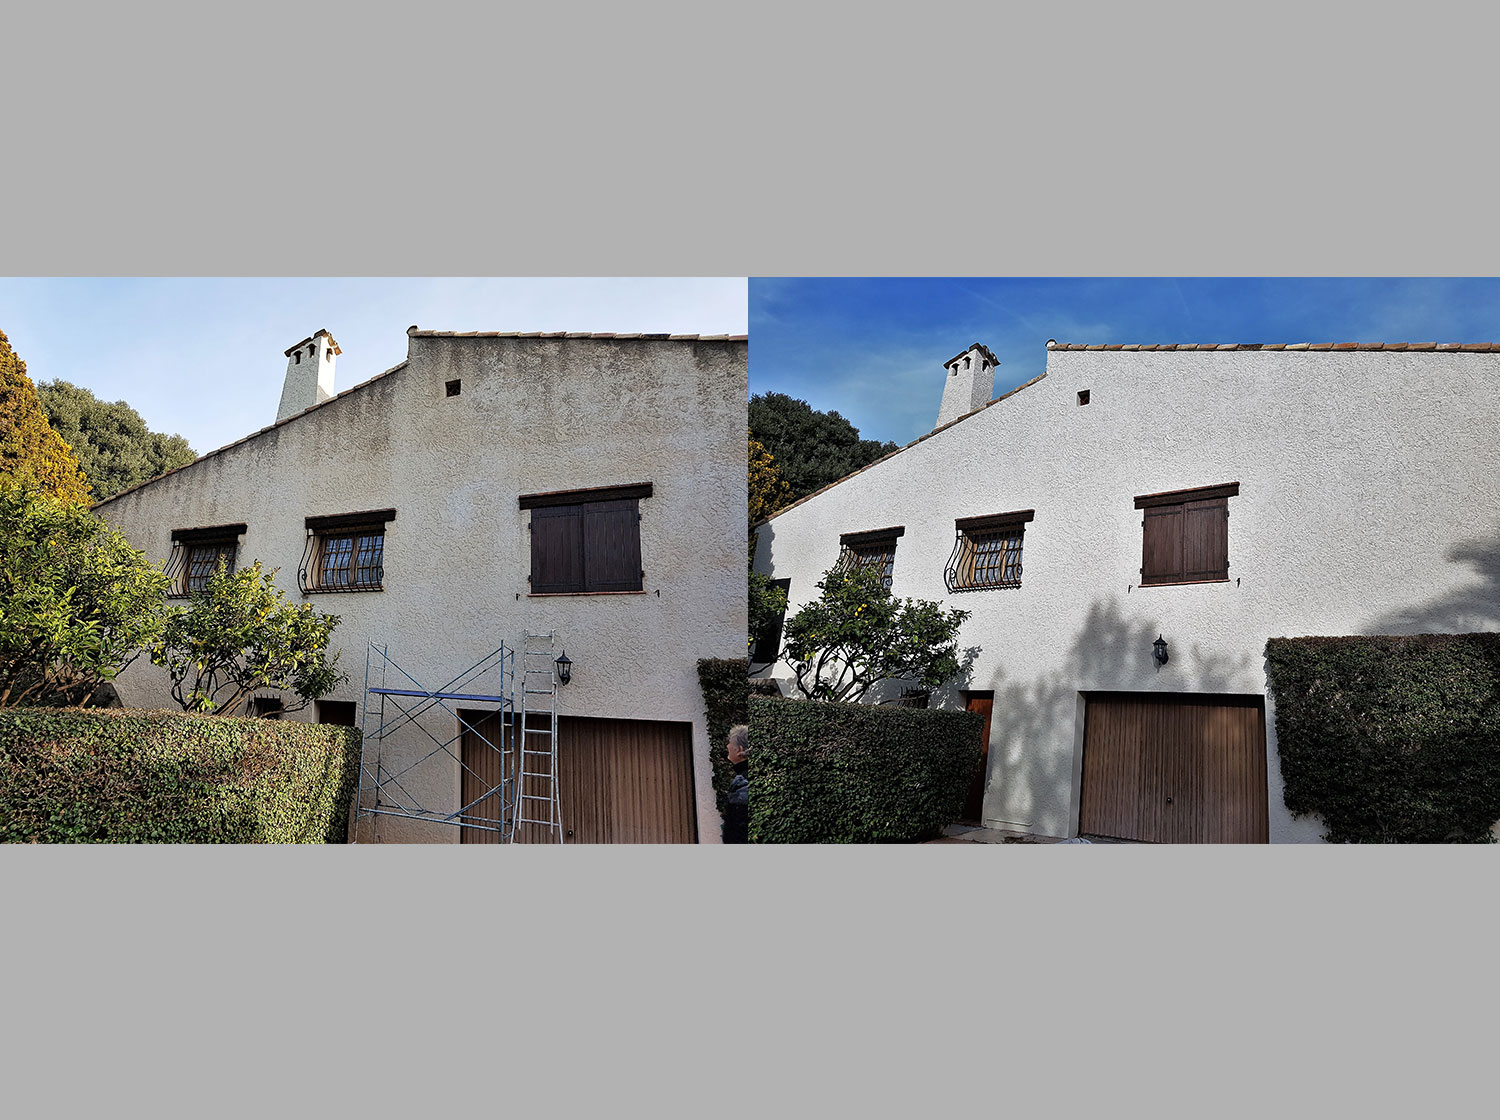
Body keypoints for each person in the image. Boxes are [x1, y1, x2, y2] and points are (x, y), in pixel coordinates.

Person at [723, 724, 749, 843]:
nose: (727, 746)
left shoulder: (743, 783)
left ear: (739, 750)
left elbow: (739, 829)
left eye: (730, 743)